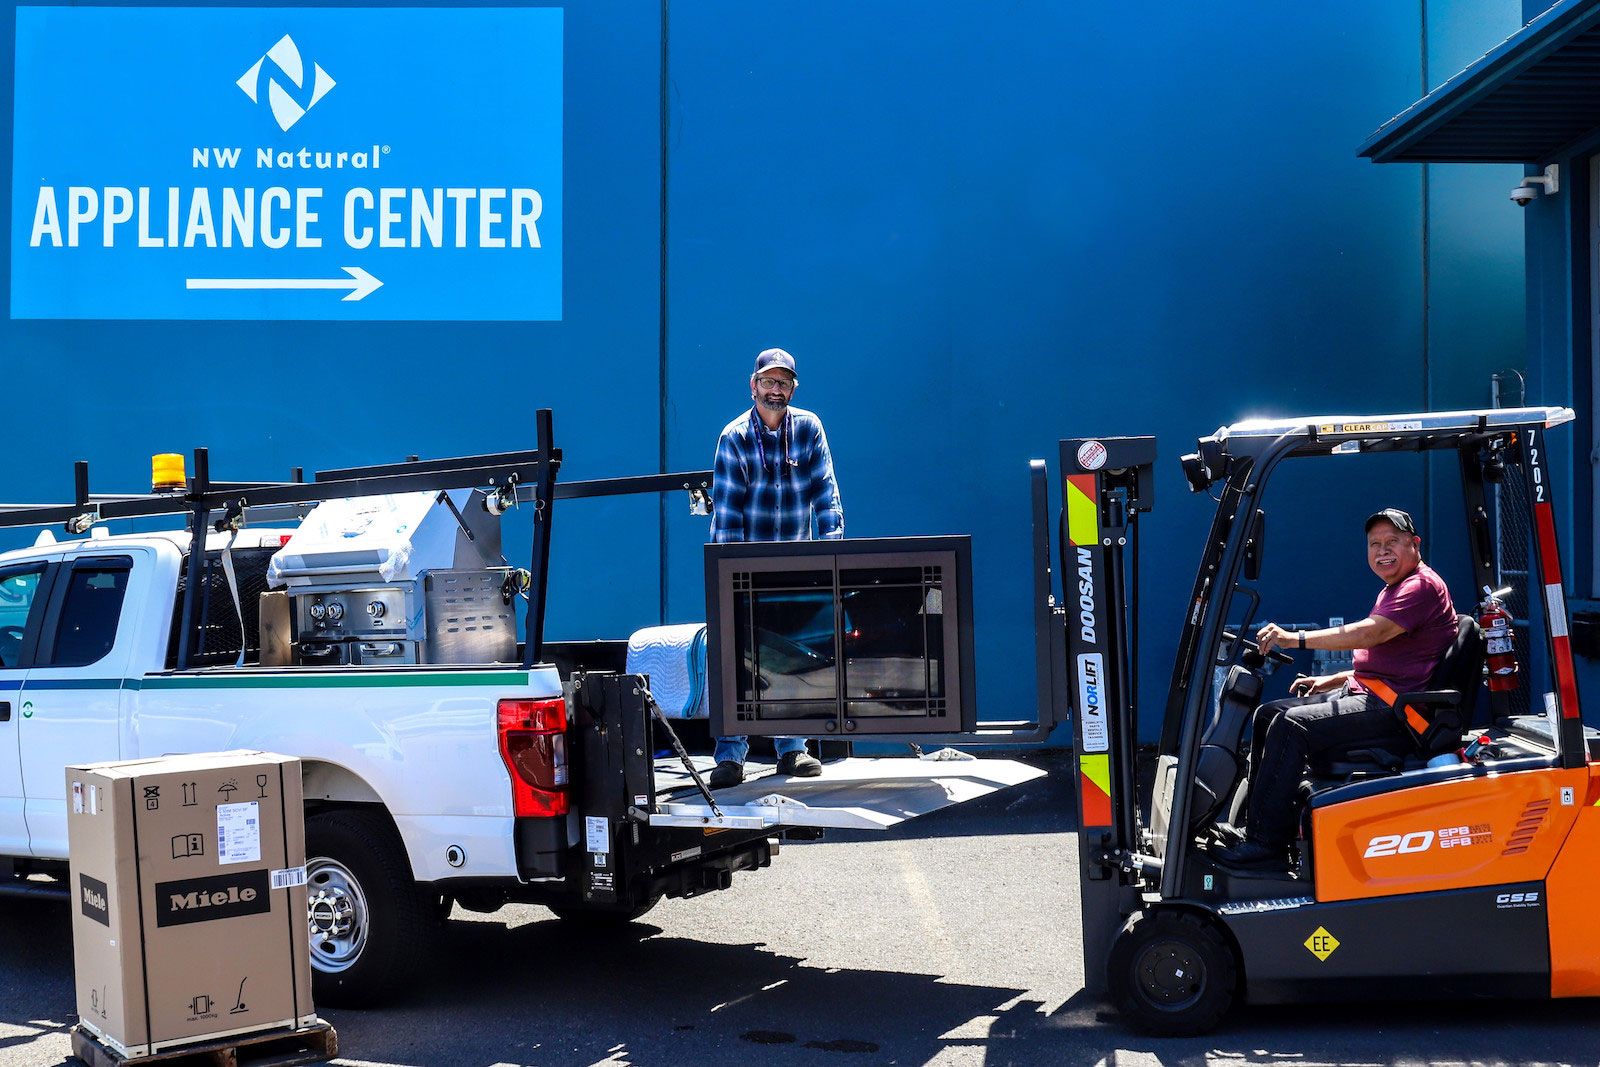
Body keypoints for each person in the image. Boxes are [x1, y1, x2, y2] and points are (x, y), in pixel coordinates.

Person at [1215, 508, 1458, 868]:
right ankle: (1257, 826)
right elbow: (1390, 658)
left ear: (1415, 544)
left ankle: (1266, 845)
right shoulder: (1397, 588)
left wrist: (1294, 638)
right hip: (1378, 695)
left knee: (1292, 726)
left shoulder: (1419, 587)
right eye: (1375, 544)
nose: (1382, 551)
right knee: (1269, 715)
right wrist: (1337, 678)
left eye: (1392, 542)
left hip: (1398, 715)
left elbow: (1369, 633)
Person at [707, 348, 845, 788]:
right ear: (754, 385)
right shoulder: (734, 437)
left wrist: (832, 556)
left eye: (784, 382)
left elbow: (826, 493)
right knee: (737, 658)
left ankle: (793, 750)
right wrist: (730, 577)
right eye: (769, 381)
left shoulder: (809, 429)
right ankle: (730, 757)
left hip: (795, 567)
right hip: (745, 569)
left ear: (793, 388)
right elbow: (726, 513)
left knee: (791, 661)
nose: (776, 390)